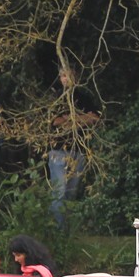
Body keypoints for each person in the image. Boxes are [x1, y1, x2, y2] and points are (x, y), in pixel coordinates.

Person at [49, 66, 101, 226]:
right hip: (59, 151)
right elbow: (54, 121)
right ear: (60, 78)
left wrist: (71, 120)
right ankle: (57, 229)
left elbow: (95, 118)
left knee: (72, 192)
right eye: (63, 76)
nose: (67, 79)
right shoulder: (55, 98)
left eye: (70, 75)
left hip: (78, 150)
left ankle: (67, 229)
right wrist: (80, 119)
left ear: (76, 77)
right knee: (59, 192)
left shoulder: (84, 97)